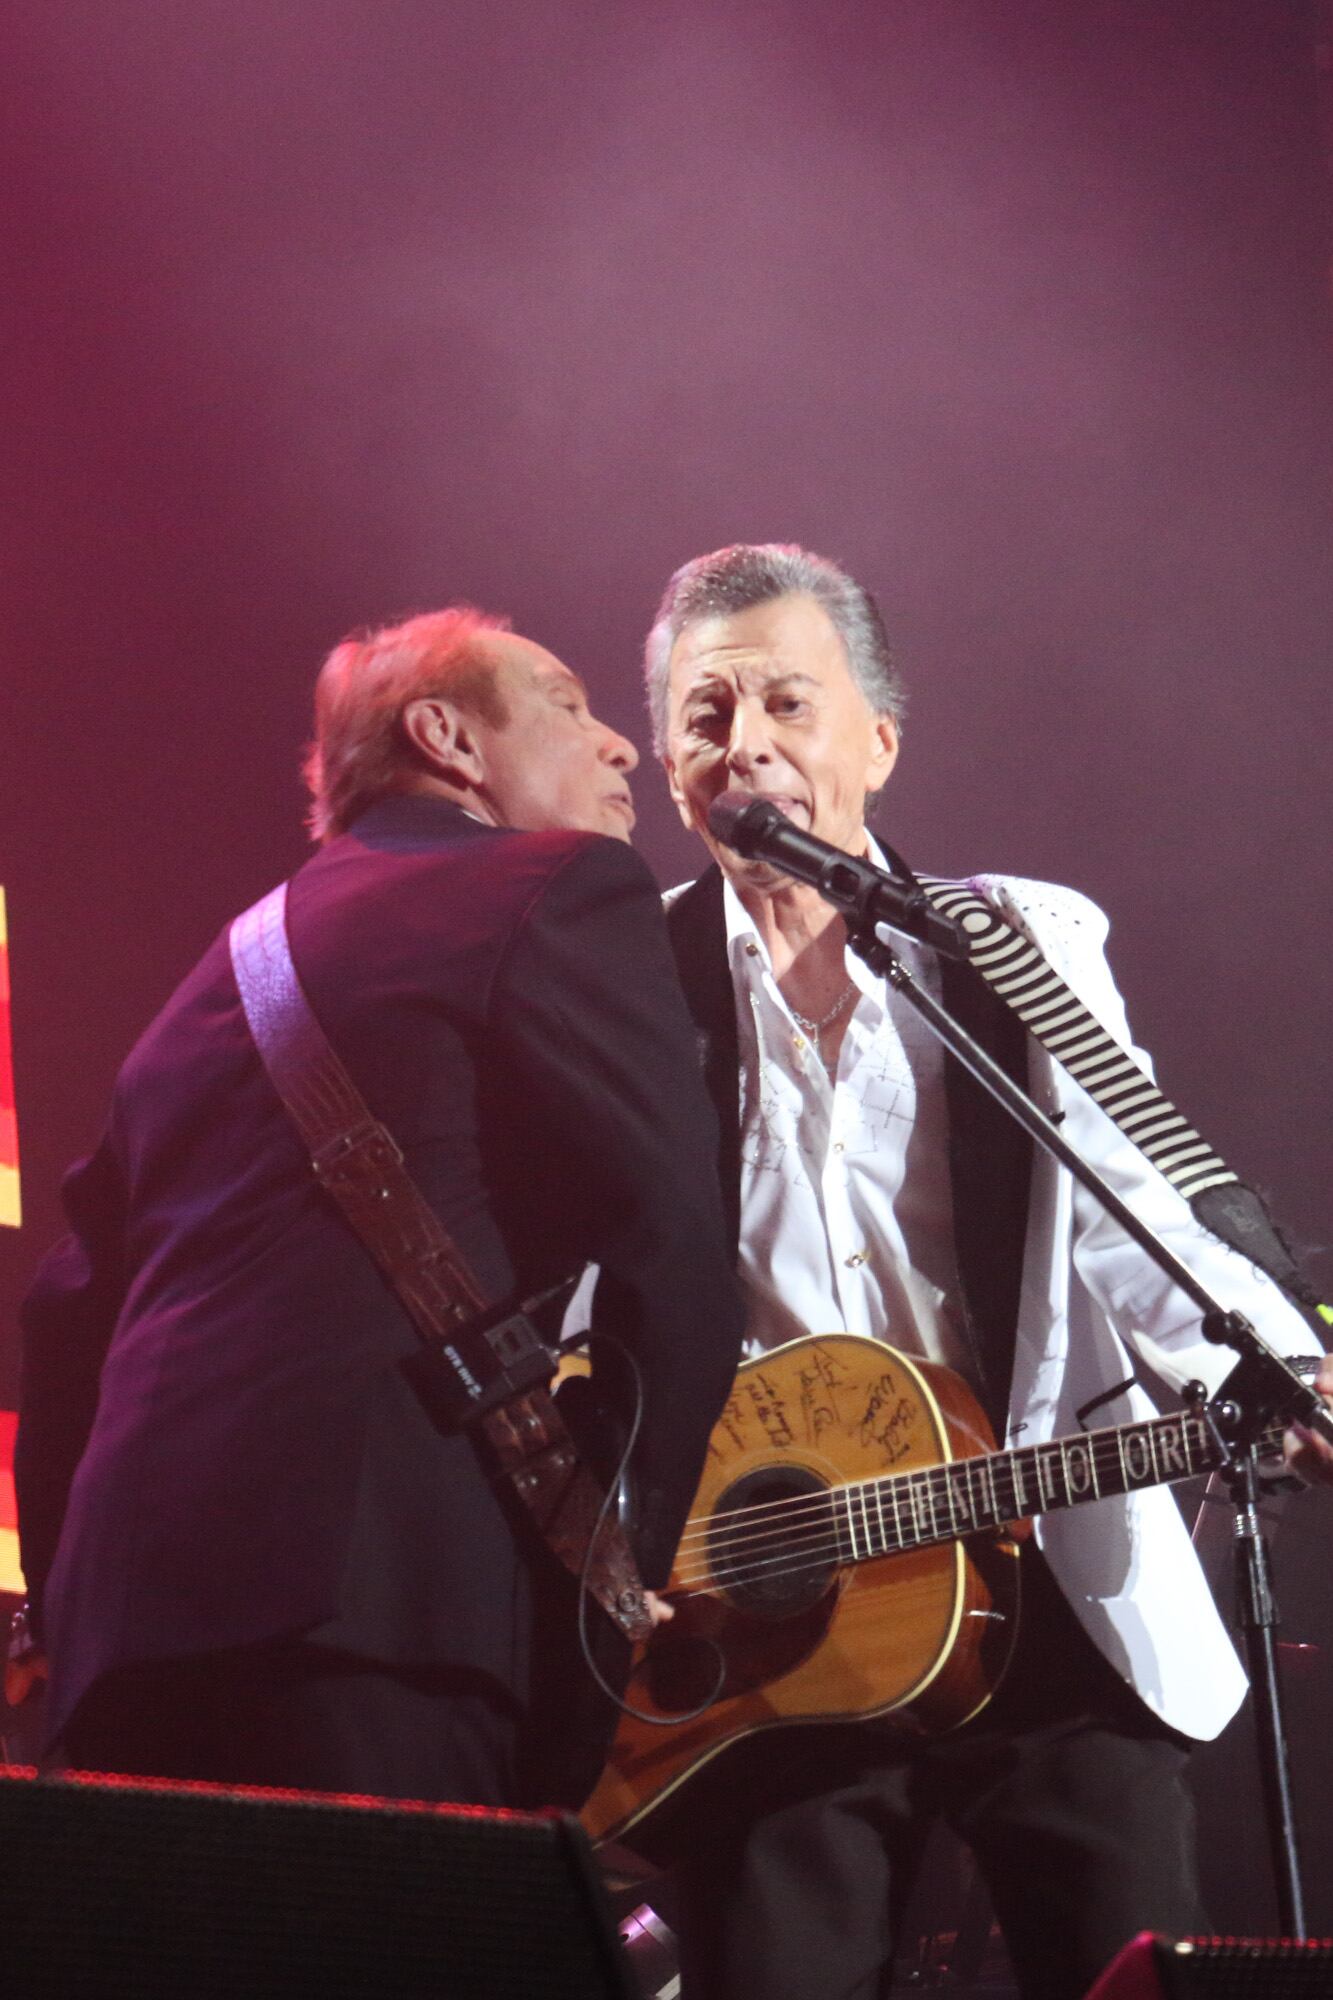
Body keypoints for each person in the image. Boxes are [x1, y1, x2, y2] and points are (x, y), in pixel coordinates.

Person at [638, 543, 1333, 2000]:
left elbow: (1142, 1207)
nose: (744, 745)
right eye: (704, 714)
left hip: (1048, 1577)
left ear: (878, 744)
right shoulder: (626, 984)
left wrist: (1279, 1363)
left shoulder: (1014, 942)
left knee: (1129, 1967)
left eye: (785, 703)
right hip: (780, 1624)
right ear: (662, 758)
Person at [15, 604, 744, 1806]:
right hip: (388, 1613)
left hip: (130, 1640)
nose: (621, 744)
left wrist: (73, 1600)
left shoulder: (201, 990)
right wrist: (614, 1576)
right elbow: (674, 1260)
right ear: (446, 736)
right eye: (567, 702)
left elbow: (60, 1330)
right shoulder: (562, 884)